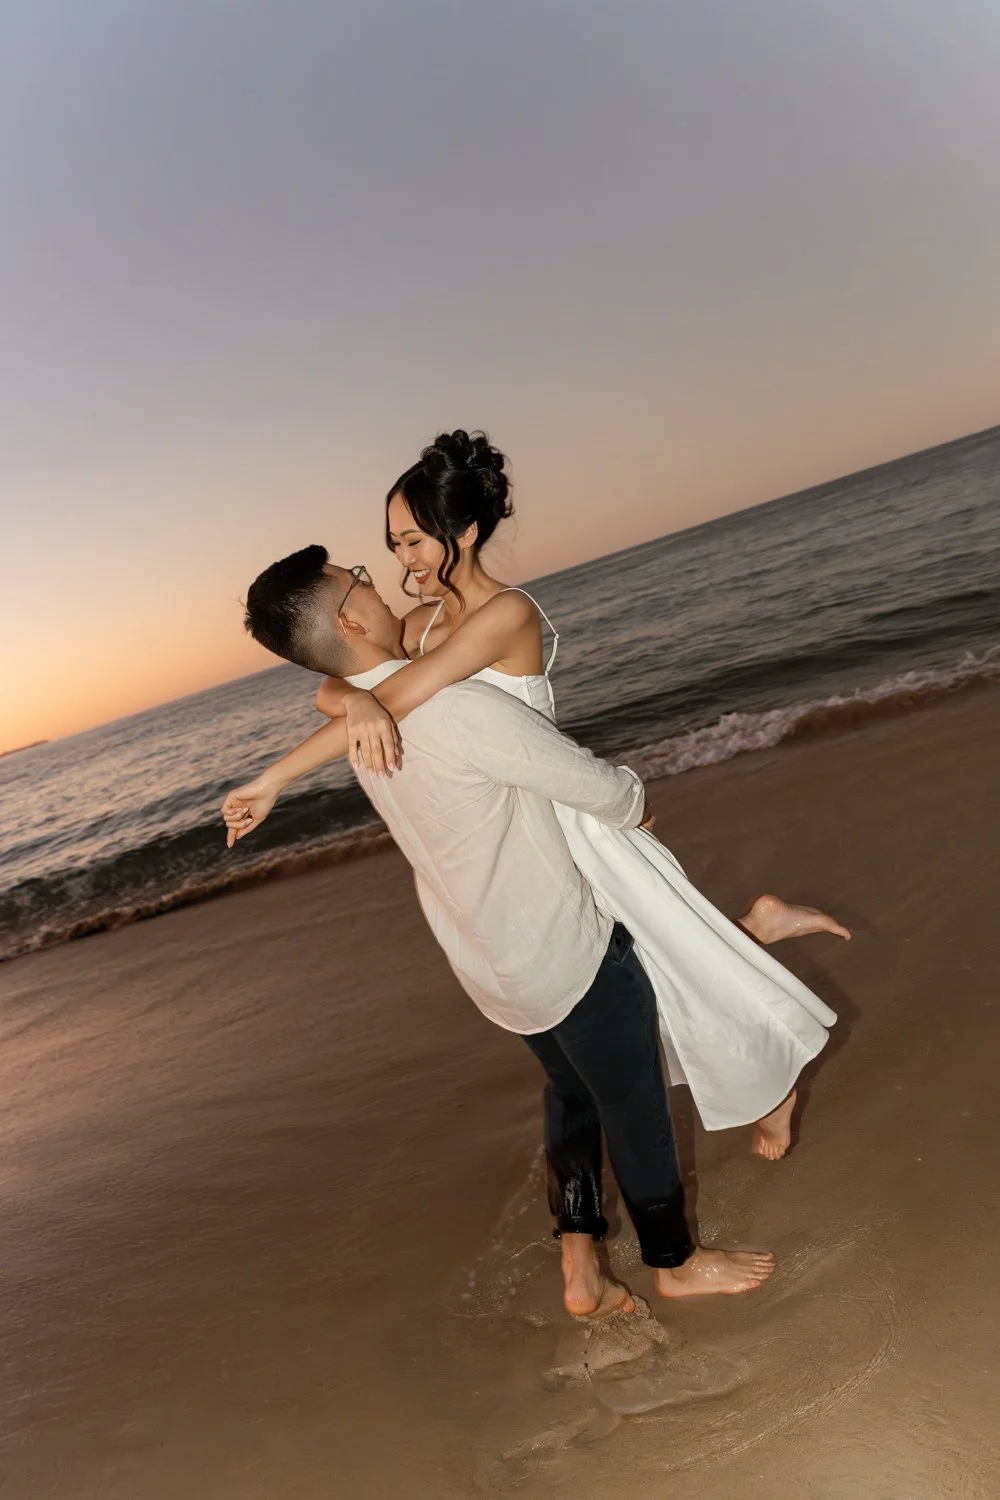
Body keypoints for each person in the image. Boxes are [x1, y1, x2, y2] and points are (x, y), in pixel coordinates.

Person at [223, 548, 776, 1318]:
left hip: (489, 968)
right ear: (351, 618)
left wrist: (350, 706)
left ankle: (580, 1263)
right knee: (632, 1104)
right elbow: (599, 785)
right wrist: (635, 803)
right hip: (562, 954)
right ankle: (675, 1263)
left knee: (570, 1090)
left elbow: (350, 689)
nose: (379, 587)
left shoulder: (367, 729)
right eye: (364, 584)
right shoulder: (452, 709)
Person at [260, 431, 846, 1157]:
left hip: (568, 814)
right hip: (522, 823)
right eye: (394, 542)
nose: (401, 559)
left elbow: (397, 689)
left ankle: (771, 1070)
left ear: (464, 533)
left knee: (654, 973)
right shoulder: (418, 624)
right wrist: (354, 708)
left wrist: (331, 732)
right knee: (649, 972)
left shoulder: (505, 614)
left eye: (414, 541)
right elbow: (334, 681)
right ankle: (756, 942)